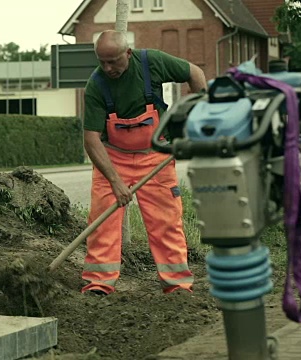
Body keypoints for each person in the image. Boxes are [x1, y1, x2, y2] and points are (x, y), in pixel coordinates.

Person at [81, 30, 207, 296]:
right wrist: (115, 181)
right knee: (103, 222)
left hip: (155, 155)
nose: (107, 68)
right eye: (102, 62)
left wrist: (197, 116)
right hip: (113, 158)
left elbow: (195, 73)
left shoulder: (152, 62)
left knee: (166, 220)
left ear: (128, 53)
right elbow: (91, 139)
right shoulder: (96, 84)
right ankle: (99, 283)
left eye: (113, 61)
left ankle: (176, 283)